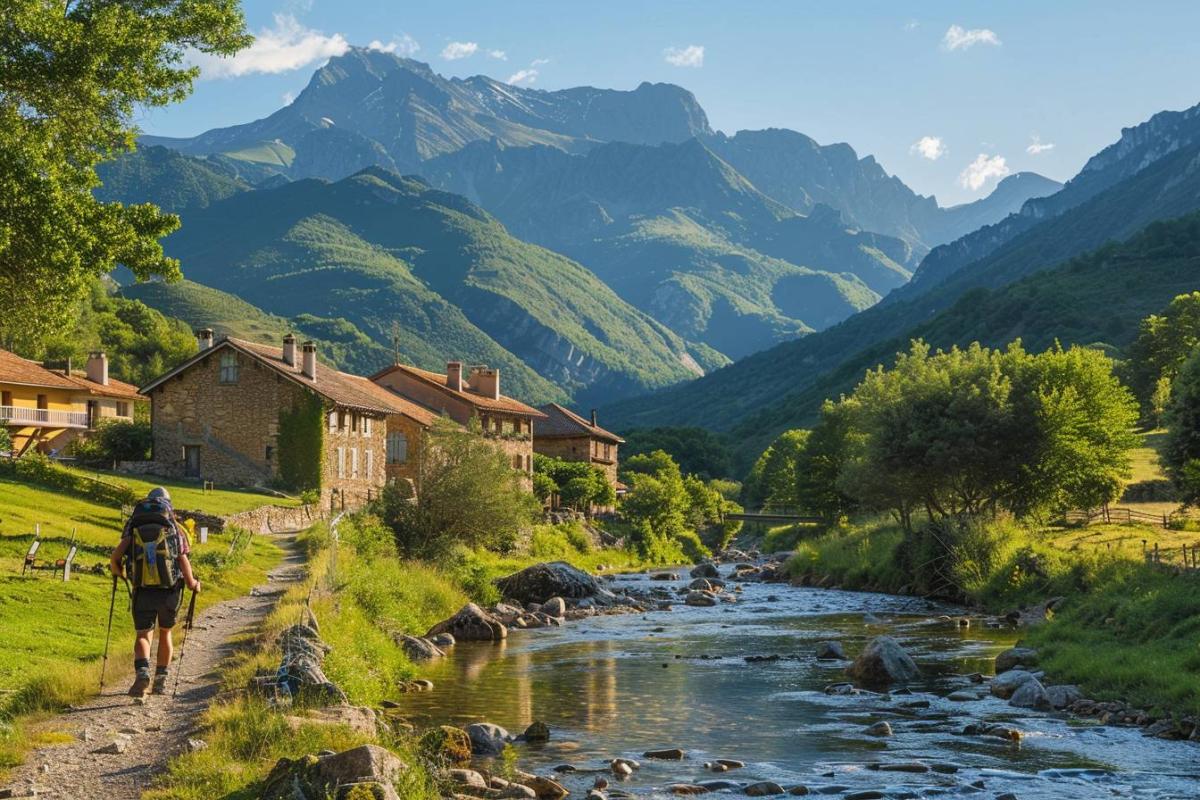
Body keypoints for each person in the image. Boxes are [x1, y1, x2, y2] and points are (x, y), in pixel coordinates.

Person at [109, 487, 201, 697]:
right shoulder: (175, 528)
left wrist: (122, 574)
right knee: (165, 632)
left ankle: (142, 673)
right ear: (168, 505)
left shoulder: (134, 526)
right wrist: (193, 583)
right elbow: (182, 559)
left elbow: (115, 558)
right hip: (169, 590)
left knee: (143, 634)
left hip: (142, 589)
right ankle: (161, 680)